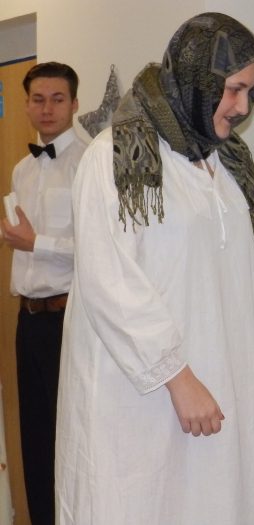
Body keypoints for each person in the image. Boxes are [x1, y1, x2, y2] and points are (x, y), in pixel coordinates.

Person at [54, 13, 254, 525]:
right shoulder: (114, 157)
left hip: (220, 389)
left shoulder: (229, 165)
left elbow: (248, 279)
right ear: (195, 79)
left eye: (250, 91)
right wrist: (177, 378)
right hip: (141, 398)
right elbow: (109, 281)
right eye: (233, 89)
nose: (243, 107)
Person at [0, 61, 86, 525]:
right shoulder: (22, 170)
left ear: (74, 104)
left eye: (57, 99)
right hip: (27, 318)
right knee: (33, 437)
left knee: (69, 437)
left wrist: (37, 243)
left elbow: (98, 249)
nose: (47, 108)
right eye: (38, 99)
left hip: (70, 318)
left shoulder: (89, 165)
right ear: (26, 105)